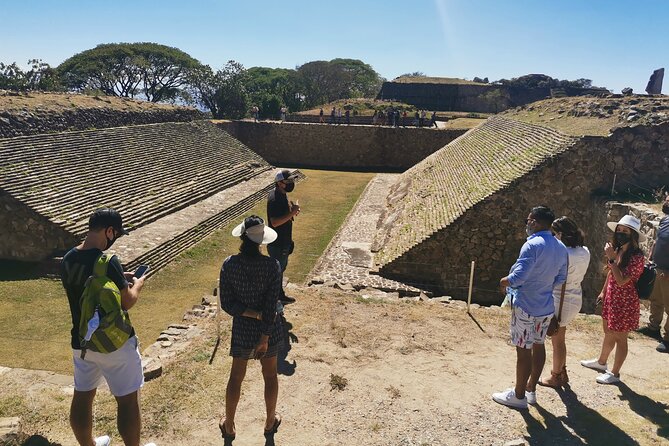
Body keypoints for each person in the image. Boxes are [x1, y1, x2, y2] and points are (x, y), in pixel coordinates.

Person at [60, 208, 153, 446]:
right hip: (113, 343)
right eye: (116, 234)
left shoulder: (68, 258)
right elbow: (127, 301)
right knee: (127, 400)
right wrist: (138, 284)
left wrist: (119, 276)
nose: (115, 239)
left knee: (83, 395)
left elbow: (86, 282)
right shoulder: (107, 261)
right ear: (108, 231)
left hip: (81, 340)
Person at [493, 206, 568, 409]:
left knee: (523, 351)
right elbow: (560, 279)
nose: (527, 224)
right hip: (545, 307)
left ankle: (518, 396)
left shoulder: (532, 245)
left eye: (528, 221)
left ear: (534, 222)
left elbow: (518, 278)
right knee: (539, 344)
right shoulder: (561, 248)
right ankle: (531, 389)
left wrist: (503, 281)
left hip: (526, 305)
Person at [219, 216, 283, 446]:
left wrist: (250, 314)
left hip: (243, 328)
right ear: (261, 241)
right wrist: (264, 337)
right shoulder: (271, 266)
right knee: (270, 375)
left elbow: (227, 303)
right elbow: (270, 305)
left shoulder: (229, 264)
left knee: (236, 377)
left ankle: (229, 425)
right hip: (269, 329)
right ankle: (269, 421)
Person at [581, 215, 645, 383]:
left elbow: (622, 280)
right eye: (619, 230)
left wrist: (611, 259)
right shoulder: (619, 250)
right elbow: (611, 273)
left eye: (625, 231)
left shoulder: (637, 257)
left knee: (620, 337)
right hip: (612, 298)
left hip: (625, 302)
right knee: (608, 332)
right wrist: (603, 292)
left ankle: (615, 373)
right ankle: (602, 362)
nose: (620, 233)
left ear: (633, 234)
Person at [538, 217, 591, 388]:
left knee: (557, 340)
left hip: (560, 298)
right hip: (574, 296)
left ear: (560, 234)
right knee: (561, 338)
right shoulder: (584, 251)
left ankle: (555, 376)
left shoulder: (563, 254)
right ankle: (562, 371)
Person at [267, 170, 301, 304]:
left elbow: (284, 216)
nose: (291, 183)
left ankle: (279, 295)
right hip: (277, 242)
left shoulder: (282, 194)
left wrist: (292, 211)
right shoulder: (275, 199)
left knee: (280, 270)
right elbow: (275, 222)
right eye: (288, 181)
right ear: (279, 183)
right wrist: (291, 213)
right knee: (276, 271)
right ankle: (273, 299)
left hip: (283, 241)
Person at [644, 196, 669, 352]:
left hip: (668, 271)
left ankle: (668, 339)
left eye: (668, 200)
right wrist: (651, 256)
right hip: (658, 268)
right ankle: (653, 328)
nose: (666, 202)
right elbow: (657, 239)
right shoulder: (665, 220)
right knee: (656, 299)